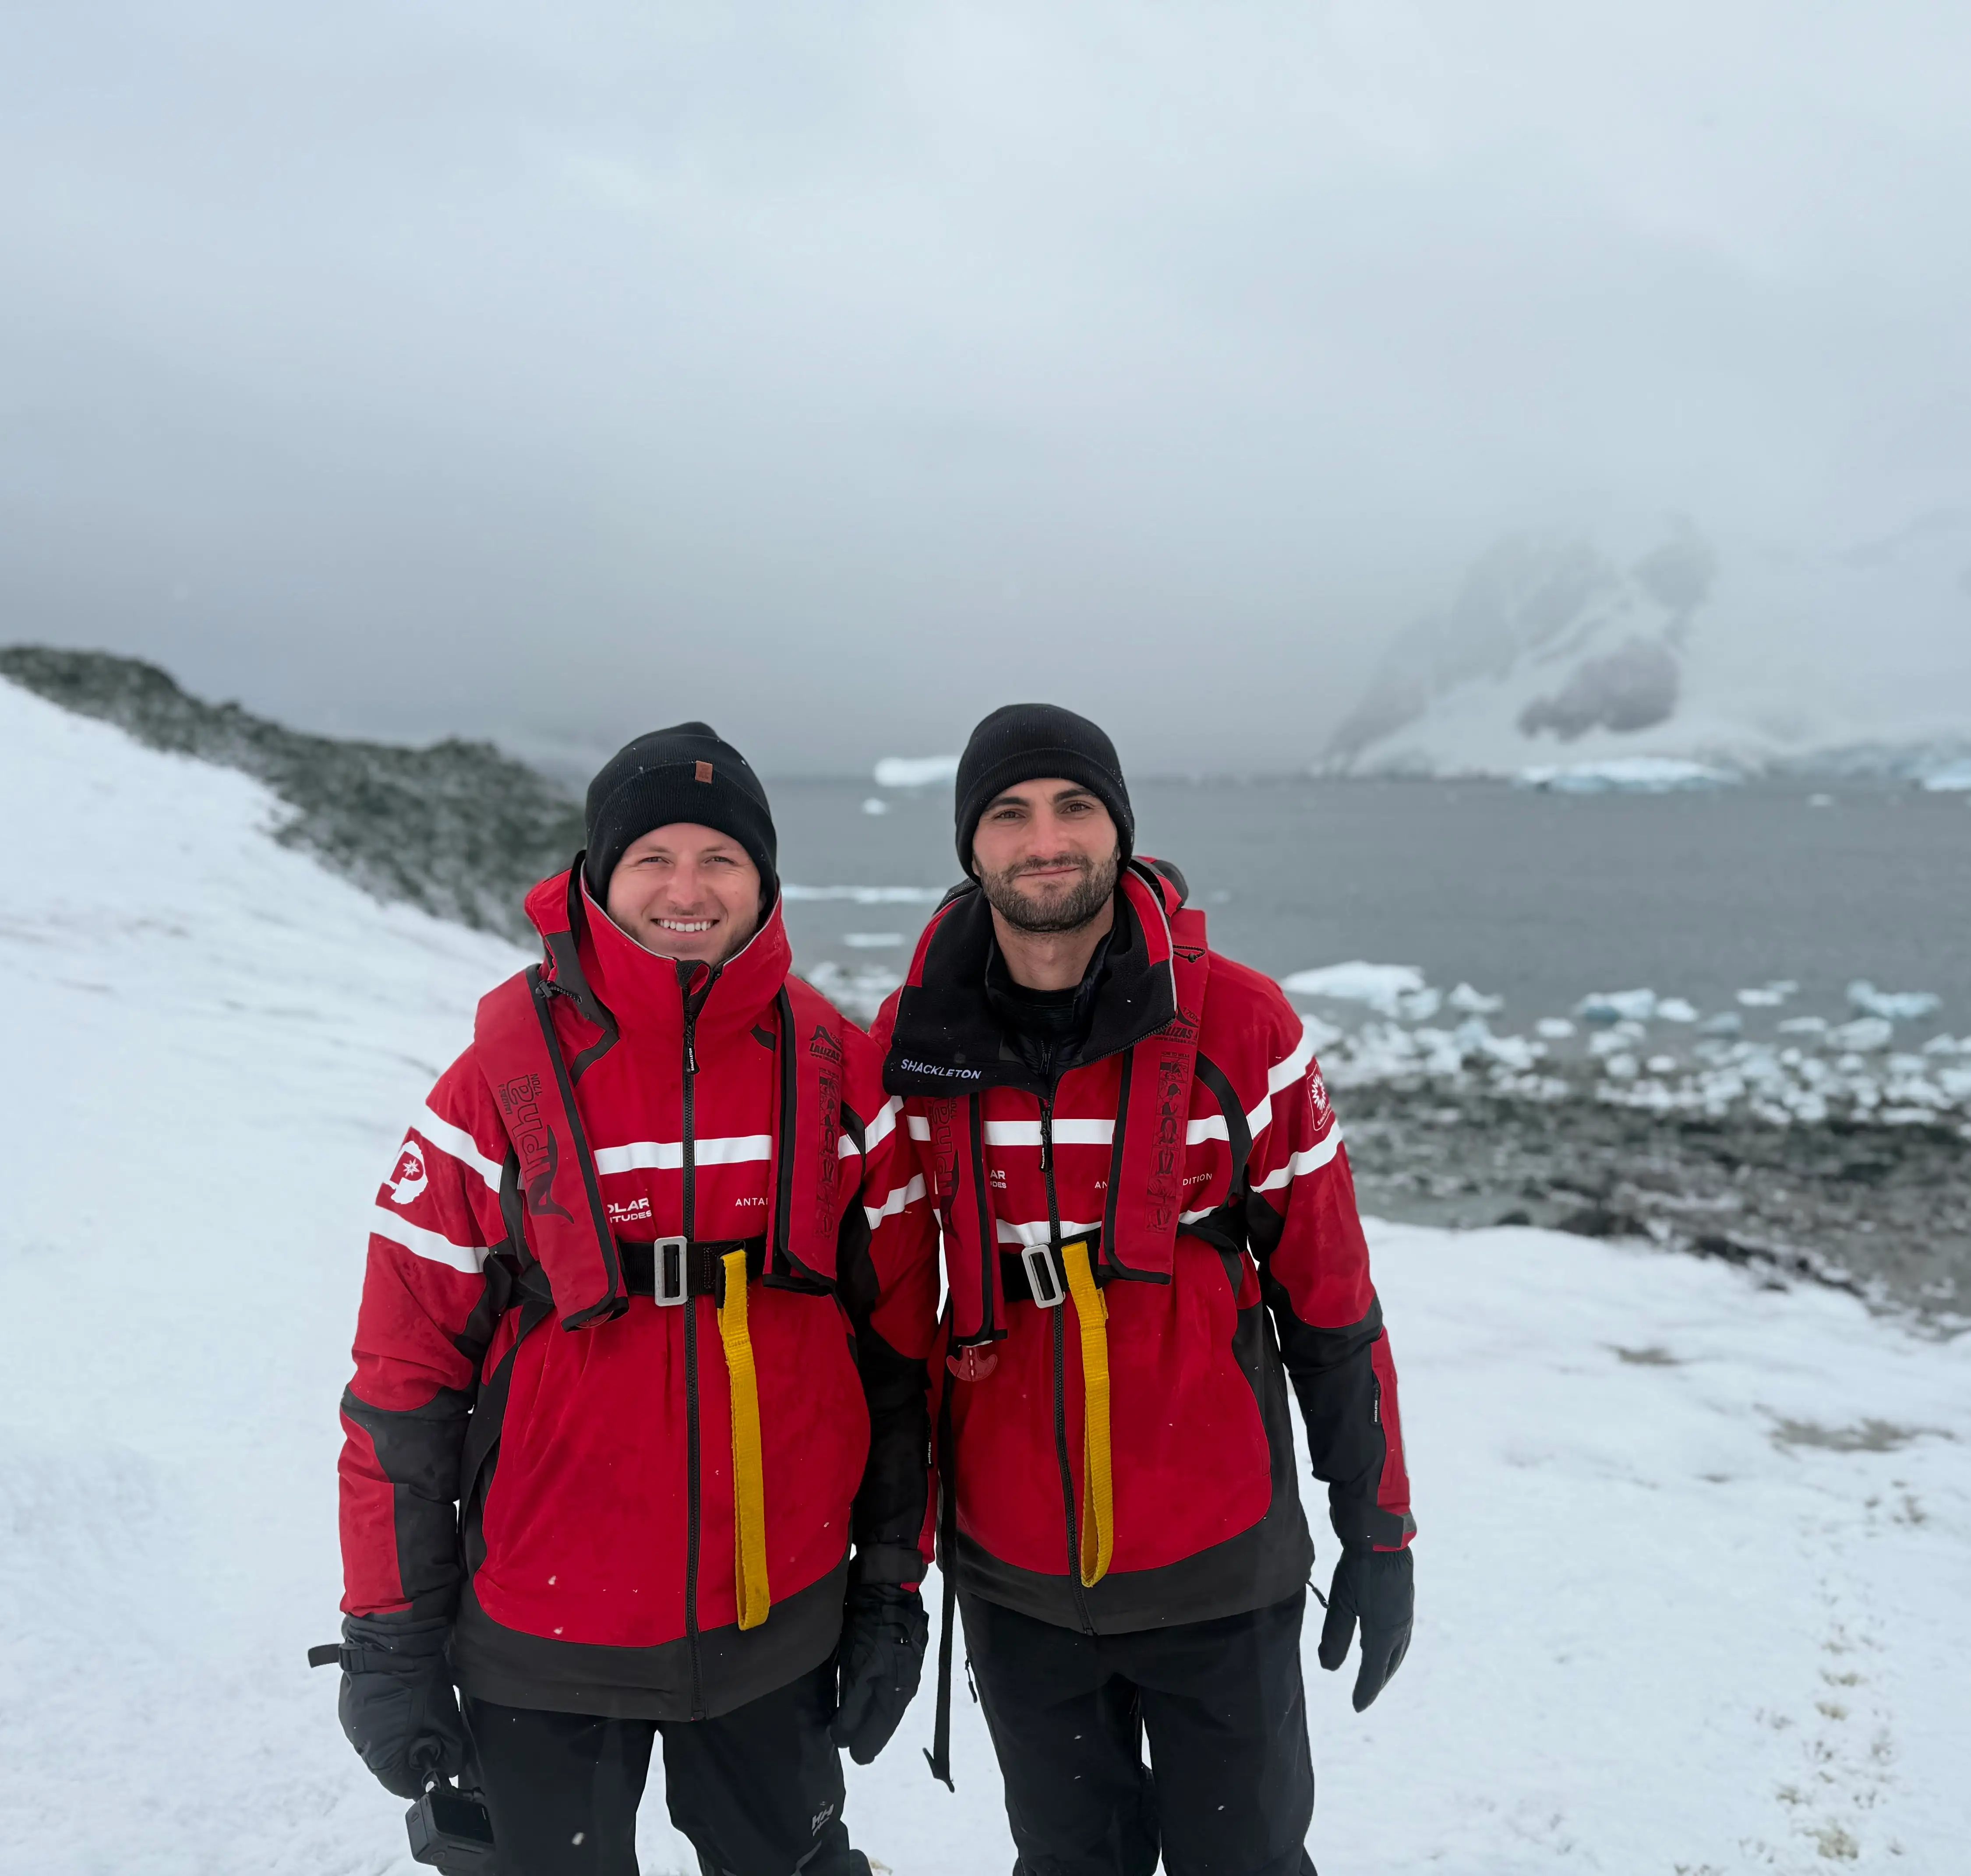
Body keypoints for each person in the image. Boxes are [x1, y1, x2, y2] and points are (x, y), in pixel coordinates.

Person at [333, 722, 938, 1876]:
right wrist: (389, 1637)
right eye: (652, 854)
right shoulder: (489, 1096)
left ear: (764, 880)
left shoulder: (842, 1075)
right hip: (543, 1644)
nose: (686, 887)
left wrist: (889, 1589)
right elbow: (402, 1387)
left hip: (781, 1633)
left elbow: (901, 1366)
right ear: (598, 878)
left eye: (720, 856)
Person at [874, 703, 1415, 1876]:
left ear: (1120, 827)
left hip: (1218, 1564)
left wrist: (1376, 1526)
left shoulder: (1244, 1025)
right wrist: (887, 1573)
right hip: (1014, 1581)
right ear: (972, 848)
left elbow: (1329, 1297)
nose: (1046, 838)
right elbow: (884, 1338)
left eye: (1076, 806)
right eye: (1010, 815)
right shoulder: (911, 1048)